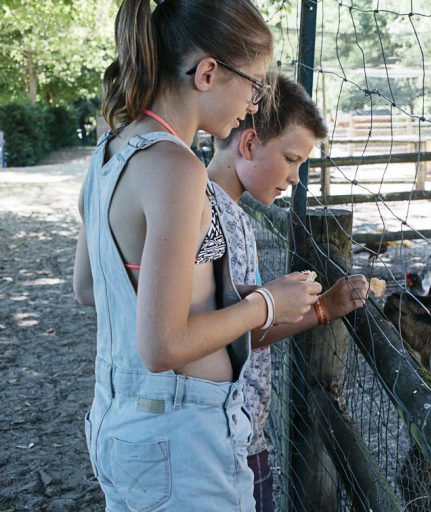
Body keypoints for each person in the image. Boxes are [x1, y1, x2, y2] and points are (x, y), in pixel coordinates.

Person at [71, 1, 324, 509]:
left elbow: (89, 286)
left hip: (123, 421)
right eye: (254, 85)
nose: (253, 105)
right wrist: (267, 304)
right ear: (208, 72)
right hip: (182, 443)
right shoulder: (176, 168)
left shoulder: (112, 149)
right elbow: (162, 346)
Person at [206, 72, 369, 510]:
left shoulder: (226, 212)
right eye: (292, 159)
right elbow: (232, 331)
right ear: (249, 143)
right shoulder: (217, 220)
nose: (296, 178)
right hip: (227, 443)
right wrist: (319, 310)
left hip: (235, 431)